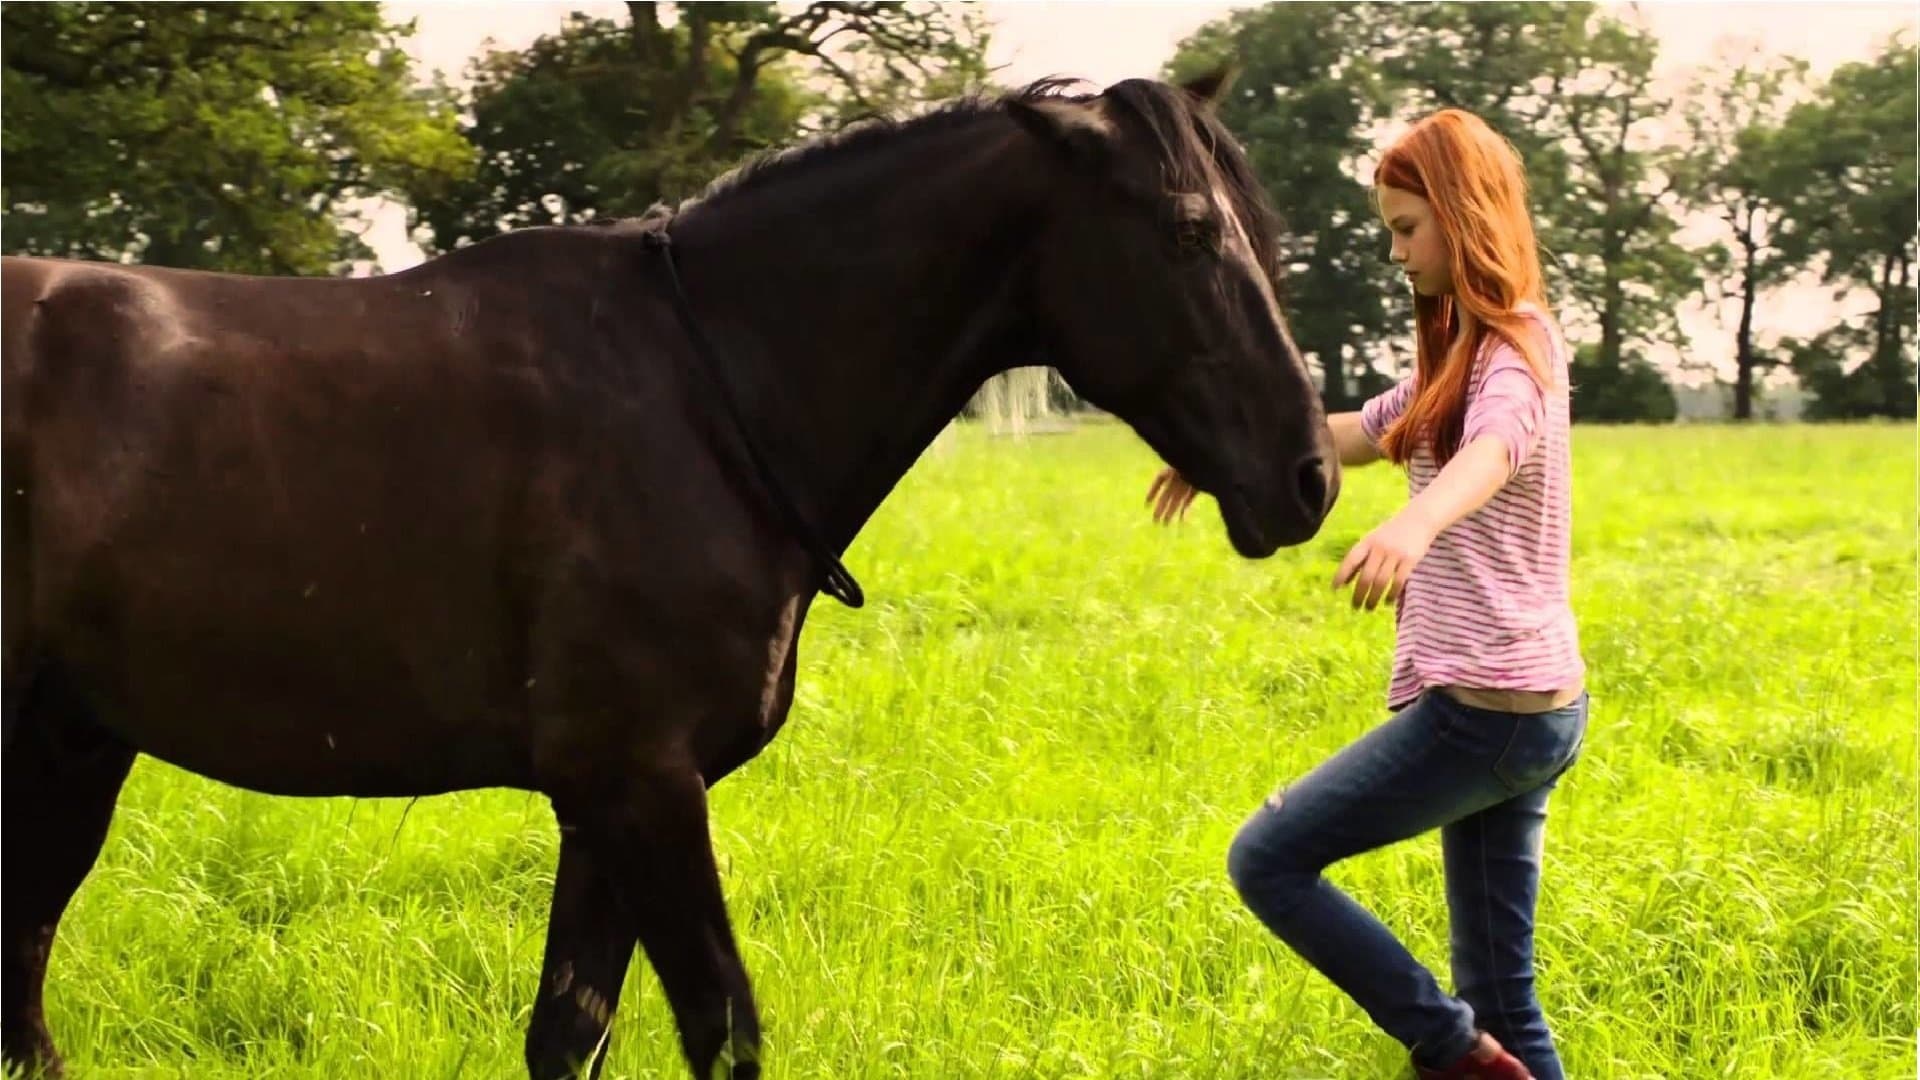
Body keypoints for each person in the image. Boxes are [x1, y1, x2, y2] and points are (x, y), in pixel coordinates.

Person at [1145, 108, 1588, 1080]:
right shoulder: (1457, 351)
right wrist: (1224, 454)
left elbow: (1496, 450)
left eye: (1406, 228)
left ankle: (1444, 1046)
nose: (1396, 253)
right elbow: (1353, 432)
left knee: (1267, 858)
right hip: (1527, 706)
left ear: (1465, 213)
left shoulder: (1518, 347)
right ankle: (1476, 1048)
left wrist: (1415, 524)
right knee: (1505, 998)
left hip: (1487, 709)